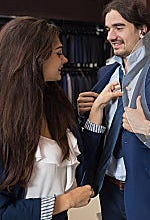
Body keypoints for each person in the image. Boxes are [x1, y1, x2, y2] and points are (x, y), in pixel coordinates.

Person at [77, 0, 150, 220]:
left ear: (142, 30)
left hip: (149, 195)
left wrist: (149, 130)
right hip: (108, 189)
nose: (111, 36)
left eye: (119, 27)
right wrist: (89, 113)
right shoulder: (105, 75)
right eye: (108, 29)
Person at [0, 16, 94, 220]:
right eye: (59, 53)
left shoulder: (57, 105)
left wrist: (95, 115)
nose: (66, 59)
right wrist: (65, 201)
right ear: (35, 56)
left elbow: (82, 159)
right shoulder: (5, 124)